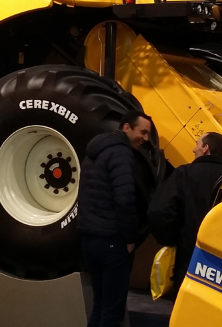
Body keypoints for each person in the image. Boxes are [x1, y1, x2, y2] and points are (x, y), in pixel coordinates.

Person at [77, 110, 152, 327]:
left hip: (89, 239)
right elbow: (125, 199)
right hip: (112, 242)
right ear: (127, 127)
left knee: (100, 304)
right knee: (112, 312)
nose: (145, 138)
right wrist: (130, 238)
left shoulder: (95, 150)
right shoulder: (121, 153)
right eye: (142, 132)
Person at [147, 132, 222, 297]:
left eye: (197, 144)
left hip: (187, 259)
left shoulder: (184, 174)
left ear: (206, 148)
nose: (194, 149)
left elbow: (158, 211)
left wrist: (172, 239)